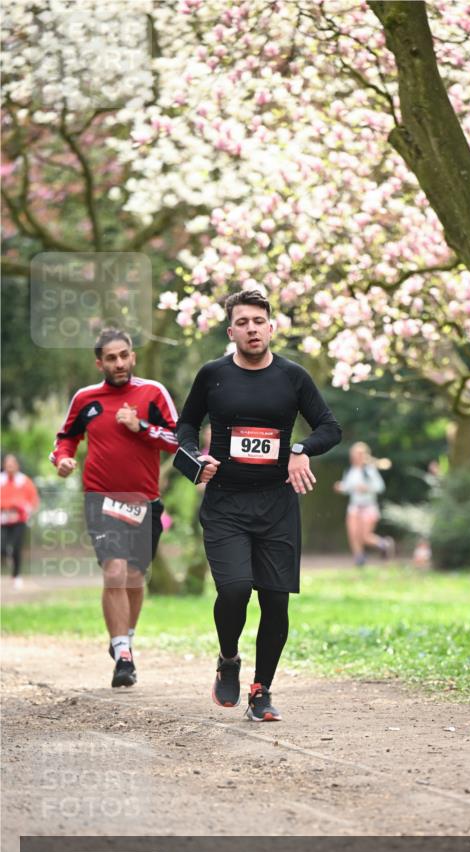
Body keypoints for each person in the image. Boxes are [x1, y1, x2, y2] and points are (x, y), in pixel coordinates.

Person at [177, 288, 341, 722]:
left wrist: (300, 449)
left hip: (276, 506)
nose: (252, 329)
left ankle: (261, 691)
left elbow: (330, 427)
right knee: (234, 590)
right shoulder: (213, 375)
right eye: (243, 322)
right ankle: (229, 658)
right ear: (231, 332)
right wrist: (195, 460)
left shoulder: (293, 377)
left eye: (258, 321)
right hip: (225, 504)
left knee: (275, 601)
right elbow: (186, 425)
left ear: (271, 327)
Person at [50, 328, 179, 687]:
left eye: (124, 355)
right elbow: (65, 439)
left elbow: (177, 440)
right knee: (115, 570)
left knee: (134, 577)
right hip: (101, 498)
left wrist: (141, 426)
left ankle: (125, 640)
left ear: (133, 356)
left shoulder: (153, 393)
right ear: (100, 363)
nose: (119, 363)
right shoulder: (86, 398)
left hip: (144, 501)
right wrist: (63, 459)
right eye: (111, 358)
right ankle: (123, 655)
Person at [334, 442, 394, 566]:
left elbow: (380, 487)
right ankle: (359, 559)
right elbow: (348, 487)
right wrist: (341, 487)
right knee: (353, 533)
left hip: (368, 506)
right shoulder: (350, 471)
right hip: (354, 506)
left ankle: (384, 544)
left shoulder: (369, 470)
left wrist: (366, 488)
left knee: (365, 536)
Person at [0, 454, 40, 589]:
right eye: (7, 464)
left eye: (12, 464)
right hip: (2, 519)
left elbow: (33, 499)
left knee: (17, 547)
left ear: (17, 465)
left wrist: (24, 510)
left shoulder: (24, 481)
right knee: (2, 547)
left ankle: (16, 576)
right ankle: (7, 555)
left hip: (19, 520)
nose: (10, 466)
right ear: (4, 465)